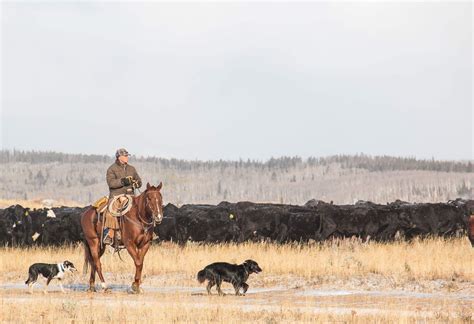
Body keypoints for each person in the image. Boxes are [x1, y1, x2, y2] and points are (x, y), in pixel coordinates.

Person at [103, 148, 142, 245]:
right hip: (116, 196)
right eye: (125, 156)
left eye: (127, 156)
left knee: (143, 208)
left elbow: (139, 181)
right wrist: (123, 181)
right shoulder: (111, 169)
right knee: (111, 213)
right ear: (119, 157)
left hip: (131, 196)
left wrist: (136, 184)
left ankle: (147, 230)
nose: (127, 157)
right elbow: (111, 183)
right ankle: (110, 234)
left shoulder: (132, 169)